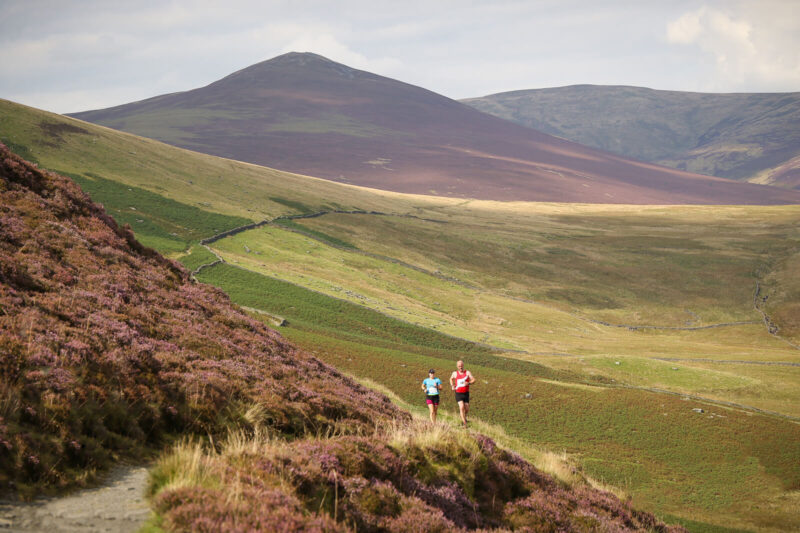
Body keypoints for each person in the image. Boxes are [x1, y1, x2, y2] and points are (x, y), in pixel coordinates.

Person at [449, 360, 475, 428]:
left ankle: (463, 417)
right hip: (458, 393)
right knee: (461, 407)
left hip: (466, 393)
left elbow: (473, 380)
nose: (460, 367)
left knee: (466, 408)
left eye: (461, 366)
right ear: (457, 366)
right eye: (459, 366)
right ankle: (464, 423)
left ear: (463, 365)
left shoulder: (467, 372)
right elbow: (451, 379)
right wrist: (452, 385)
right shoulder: (455, 373)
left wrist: (468, 383)